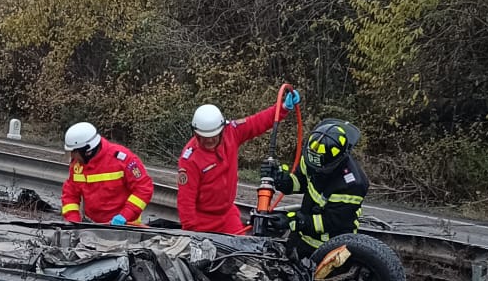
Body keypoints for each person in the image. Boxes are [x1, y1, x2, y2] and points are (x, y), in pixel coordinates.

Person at [177, 93, 298, 235]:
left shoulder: (232, 132)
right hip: (202, 221)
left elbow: (256, 122)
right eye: (203, 137)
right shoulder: (189, 159)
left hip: (227, 215)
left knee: (240, 251)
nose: (208, 141)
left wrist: (282, 108)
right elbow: (186, 200)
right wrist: (190, 232)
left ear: (222, 130)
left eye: (213, 137)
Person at [276, 119, 370, 250]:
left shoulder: (352, 185)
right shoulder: (314, 157)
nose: (314, 170)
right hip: (302, 235)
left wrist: (298, 221)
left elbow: (333, 222)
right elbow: (301, 181)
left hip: (330, 246)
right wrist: (284, 182)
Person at [60, 122, 154, 226]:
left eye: (74, 152)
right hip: (92, 226)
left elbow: (143, 189)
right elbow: (70, 194)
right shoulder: (78, 165)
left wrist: (125, 215)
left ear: (88, 151)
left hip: (125, 225)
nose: (73, 157)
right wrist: (73, 221)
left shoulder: (123, 159)